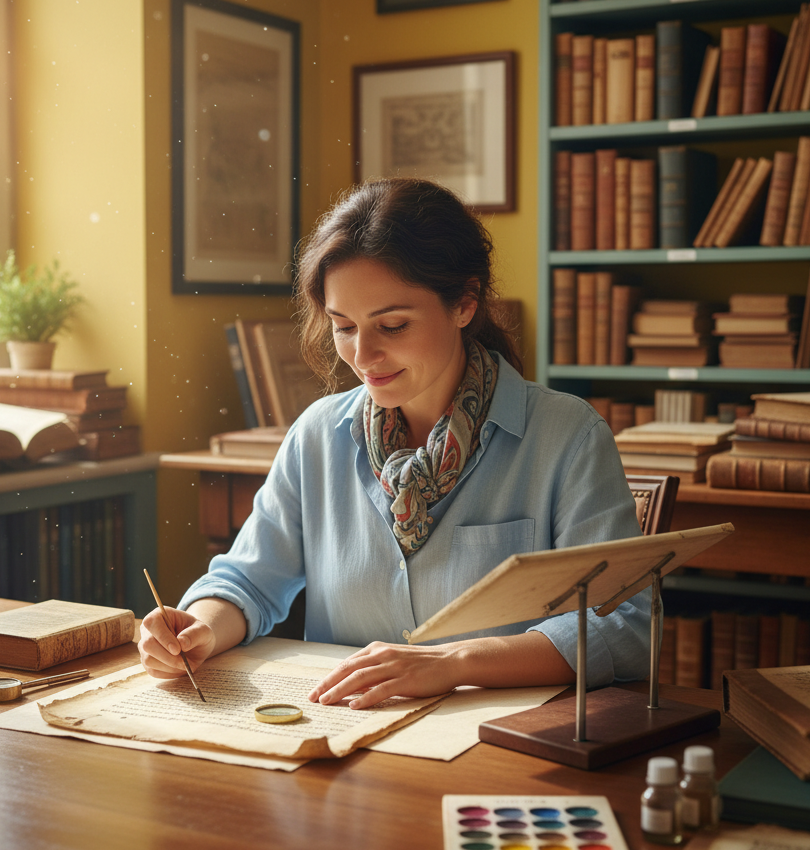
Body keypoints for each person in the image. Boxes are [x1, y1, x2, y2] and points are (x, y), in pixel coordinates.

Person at [139, 178, 650, 708]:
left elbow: (626, 628)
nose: (363, 356)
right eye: (344, 327)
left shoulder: (568, 438)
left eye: (393, 325)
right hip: (343, 735)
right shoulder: (316, 437)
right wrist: (199, 628)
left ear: (465, 304)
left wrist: (454, 663)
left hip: (497, 739)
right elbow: (248, 581)